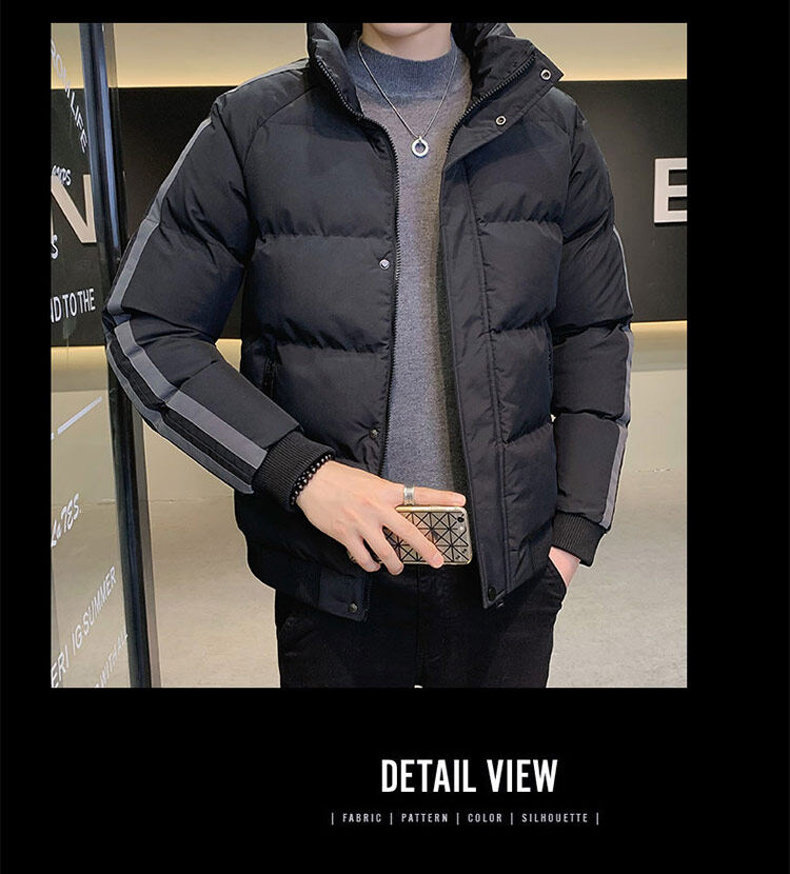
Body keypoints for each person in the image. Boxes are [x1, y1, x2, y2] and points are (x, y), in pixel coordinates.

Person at [103, 22, 633, 688]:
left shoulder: (553, 128)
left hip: (509, 582)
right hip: (333, 580)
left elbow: (594, 334)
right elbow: (148, 324)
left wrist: (573, 535)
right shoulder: (256, 123)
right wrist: (301, 472)